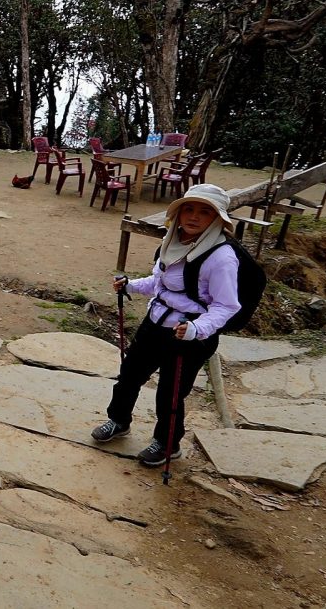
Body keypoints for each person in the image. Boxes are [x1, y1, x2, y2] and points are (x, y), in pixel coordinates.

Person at [91, 183, 241, 467]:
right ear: (179, 213)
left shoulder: (221, 257)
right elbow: (160, 284)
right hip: (155, 324)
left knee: (171, 391)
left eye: (205, 212)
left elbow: (226, 306)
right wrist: (131, 286)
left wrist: (197, 330)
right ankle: (118, 421)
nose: (194, 216)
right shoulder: (172, 242)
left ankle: (167, 443)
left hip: (188, 334)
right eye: (189, 208)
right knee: (129, 375)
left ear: (218, 219)